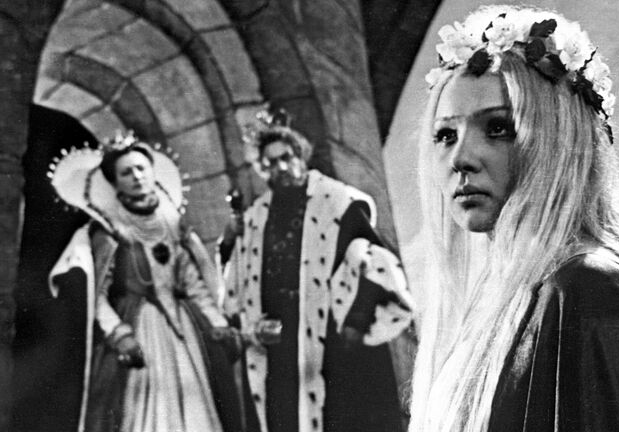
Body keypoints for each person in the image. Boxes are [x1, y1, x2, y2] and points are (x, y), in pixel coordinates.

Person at [409, 6, 619, 432]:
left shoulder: (590, 287)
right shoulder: (508, 296)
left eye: (497, 128)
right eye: (446, 135)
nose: (460, 158)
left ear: (557, 139)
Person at [218, 110, 414, 432]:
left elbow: (371, 261)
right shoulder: (254, 217)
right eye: (271, 163)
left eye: (286, 157)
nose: (281, 167)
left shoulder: (336, 201)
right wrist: (229, 242)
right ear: (262, 169)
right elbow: (236, 283)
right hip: (280, 343)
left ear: (300, 156)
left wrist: (356, 322)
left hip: (331, 336)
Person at [48, 131, 253, 432]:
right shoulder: (109, 230)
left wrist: (216, 321)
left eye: (141, 168)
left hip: (184, 330)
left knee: (196, 405)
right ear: (115, 182)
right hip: (139, 328)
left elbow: (192, 282)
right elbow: (97, 295)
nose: (136, 177)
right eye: (126, 172)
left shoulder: (171, 223)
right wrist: (119, 333)